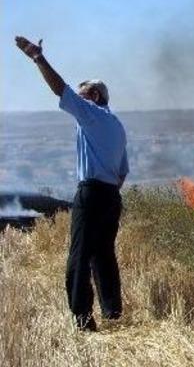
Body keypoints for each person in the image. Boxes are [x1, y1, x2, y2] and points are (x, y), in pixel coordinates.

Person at [14, 36, 129, 332]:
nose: (76, 99)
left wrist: (38, 58)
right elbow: (122, 173)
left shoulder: (90, 114)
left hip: (91, 195)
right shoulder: (116, 125)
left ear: (93, 95)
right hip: (111, 197)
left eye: (82, 93)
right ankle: (113, 313)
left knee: (79, 256)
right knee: (104, 254)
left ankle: (83, 321)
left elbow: (59, 89)